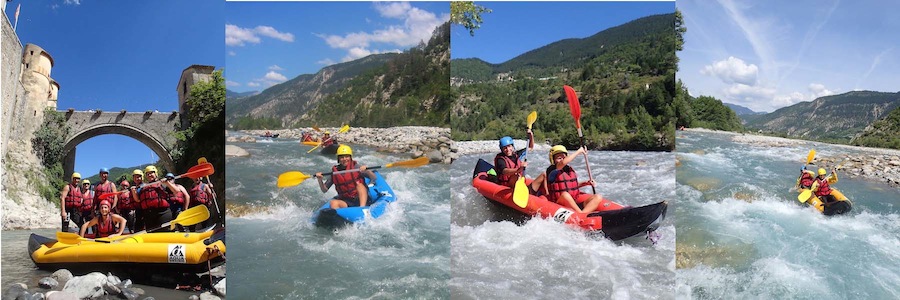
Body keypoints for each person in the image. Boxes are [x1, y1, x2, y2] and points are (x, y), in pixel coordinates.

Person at [541, 145, 603, 214]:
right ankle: (580, 214)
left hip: (573, 204)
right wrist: (579, 151)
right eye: (559, 158)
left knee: (598, 197)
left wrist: (586, 183)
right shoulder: (552, 170)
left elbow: (571, 186)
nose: (562, 159)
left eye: (564, 157)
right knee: (565, 195)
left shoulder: (568, 169)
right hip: (559, 204)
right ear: (553, 159)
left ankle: (583, 214)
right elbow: (563, 163)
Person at [315, 145, 376, 209]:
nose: (344, 159)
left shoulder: (356, 167)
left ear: (350, 157)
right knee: (333, 203)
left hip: (361, 199)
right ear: (338, 158)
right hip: (346, 201)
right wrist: (320, 180)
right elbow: (324, 190)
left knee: (360, 185)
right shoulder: (335, 172)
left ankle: (362, 209)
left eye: (347, 157)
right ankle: (338, 217)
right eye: (342, 157)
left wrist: (367, 170)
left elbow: (373, 177)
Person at [131, 166, 176, 231]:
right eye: (147, 174)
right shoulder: (144, 187)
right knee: (151, 233)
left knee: (165, 232)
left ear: (156, 174)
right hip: (149, 215)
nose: (149, 175)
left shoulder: (162, 183)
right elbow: (138, 200)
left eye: (151, 173)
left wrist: (167, 183)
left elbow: (176, 191)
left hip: (162, 213)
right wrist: (133, 192)